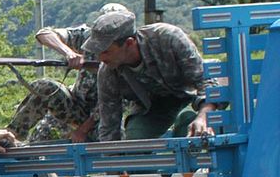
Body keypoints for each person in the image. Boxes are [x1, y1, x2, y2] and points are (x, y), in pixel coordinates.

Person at [85, 9, 218, 141]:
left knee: (189, 128)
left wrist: (203, 117)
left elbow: (206, 82)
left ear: (129, 43)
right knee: (136, 139)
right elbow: (109, 125)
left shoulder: (169, 38)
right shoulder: (108, 71)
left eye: (106, 51)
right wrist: (112, 159)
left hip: (189, 96)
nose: (100, 57)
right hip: (153, 108)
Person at [7, 3, 132, 143]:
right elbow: (44, 34)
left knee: (110, 142)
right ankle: (10, 137)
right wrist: (69, 53)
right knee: (44, 90)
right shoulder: (87, 36)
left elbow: (115, 104)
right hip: (75, 105)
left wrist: (82, 130)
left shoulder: (129, 52)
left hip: (104, 115)